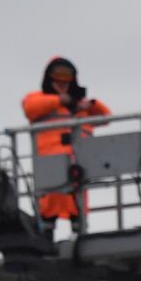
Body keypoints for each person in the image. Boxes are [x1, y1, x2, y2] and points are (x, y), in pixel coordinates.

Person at [20, 55, 111, 231]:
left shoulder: (82, 109)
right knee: (47, 214)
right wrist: (60, 100)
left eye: (66, 81)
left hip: (78, 168)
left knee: (78, 215)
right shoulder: (38, 99)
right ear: (49, 80)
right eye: (57, 81)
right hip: (49, 167)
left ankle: (79, 233)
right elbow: (30, 107)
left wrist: (89, 103)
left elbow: (106, 117)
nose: (62, 85)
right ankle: (46, 232)